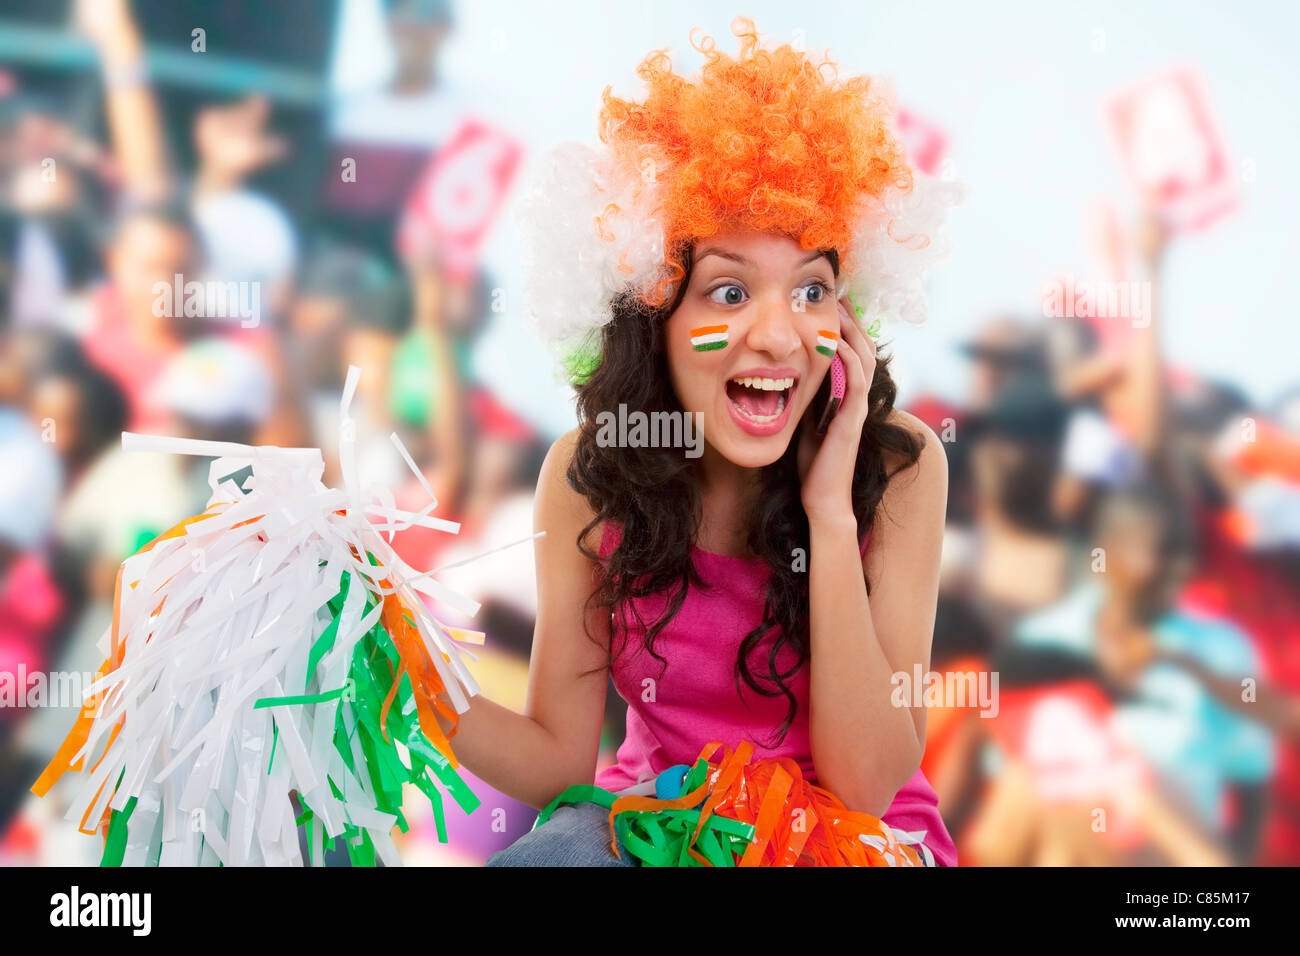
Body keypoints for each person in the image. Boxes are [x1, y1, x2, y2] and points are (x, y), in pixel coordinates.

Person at [419, 18, 963, 865]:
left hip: (849, 844)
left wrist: (827, 516)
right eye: (729, 290)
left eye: (813, 288)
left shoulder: (897, 466)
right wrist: (401, 675)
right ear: (653, 313)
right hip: (658, 826)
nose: (782, 337)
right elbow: (558, 759)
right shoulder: (591, 475)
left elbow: (867, 784)